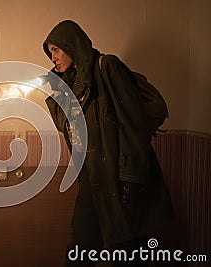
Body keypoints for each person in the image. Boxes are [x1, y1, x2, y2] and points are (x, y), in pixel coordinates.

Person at [43, 20, 173, 267]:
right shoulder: (71, 88)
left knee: (127, 249)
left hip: (121, 179)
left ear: (71, 44)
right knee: (81, 246)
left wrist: (130, 179)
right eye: (50, 53)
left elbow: (132, 127)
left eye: (56, 50)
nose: (53, 57)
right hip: (92, 181)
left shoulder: (107, 68)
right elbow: (68, 130)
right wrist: (55, 85)